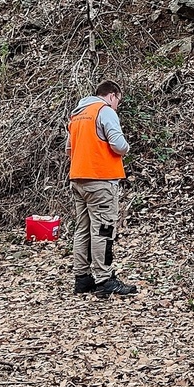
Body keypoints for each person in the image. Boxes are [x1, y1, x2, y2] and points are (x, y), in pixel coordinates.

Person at [67, 80, 136, 297]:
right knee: (104, 229)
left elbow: (69, 148)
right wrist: (126, 147)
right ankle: (105, 279)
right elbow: (118, 144)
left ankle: (82, 278)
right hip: (101, 180)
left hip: (78, 179)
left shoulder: (77, 114)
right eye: (118, 101)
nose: (117, 106)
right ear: (112, 95)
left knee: (82, 228)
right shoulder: (104, 111)